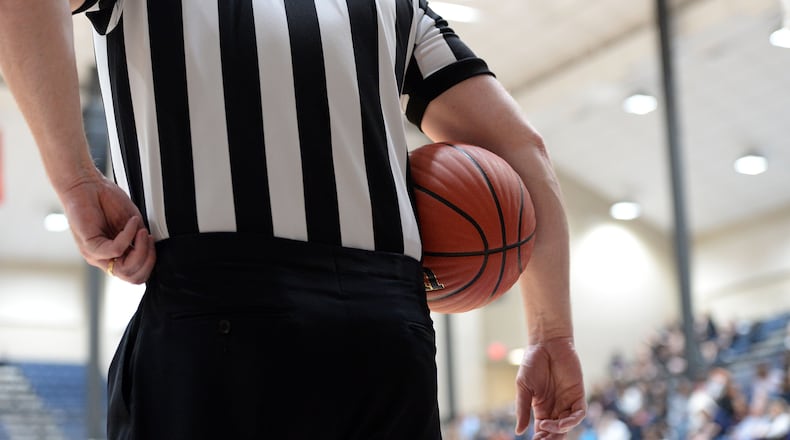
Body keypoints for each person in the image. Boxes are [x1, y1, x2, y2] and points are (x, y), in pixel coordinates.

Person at [0, 0, 586, 438]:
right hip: (387, 336)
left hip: (222, 315)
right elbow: (521, 150)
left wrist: (74, 177)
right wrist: (551, 334)